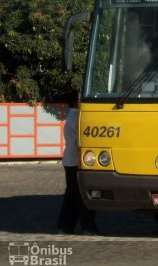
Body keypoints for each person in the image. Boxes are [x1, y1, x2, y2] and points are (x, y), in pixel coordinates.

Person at [57, 93, 98, 235]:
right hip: (76, 161)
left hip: (69, 160)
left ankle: (65, 226)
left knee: (71, 196)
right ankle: (87, 226)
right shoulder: (78, 117)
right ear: (75, 101)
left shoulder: (71, 116)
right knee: (82, 196)